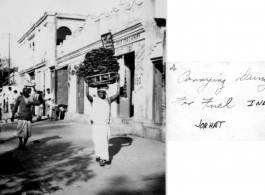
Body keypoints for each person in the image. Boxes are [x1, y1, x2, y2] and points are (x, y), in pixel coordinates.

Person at [86, 74, 120, 169]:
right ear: (98, 93)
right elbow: (87, 95)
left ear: (105, 93)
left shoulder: (108, 100)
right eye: (100, 92)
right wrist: (87, 85)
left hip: (105, 125)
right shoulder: (94, 100)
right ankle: (100, 157)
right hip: (96, 125)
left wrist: (118, 83)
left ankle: (102, 158)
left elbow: (117, 95)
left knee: (104, 142)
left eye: (103, 93)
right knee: (97, 141)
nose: (101, 94)